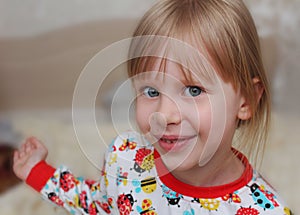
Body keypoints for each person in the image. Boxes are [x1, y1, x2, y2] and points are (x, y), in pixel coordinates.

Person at [13, 0, 293, 214]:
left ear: (245, 101)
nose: (164, 114)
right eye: (151, 91)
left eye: (193, 90)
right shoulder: (126, 160)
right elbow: (100, 204)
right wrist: (37, 171)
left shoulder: (262, 208)